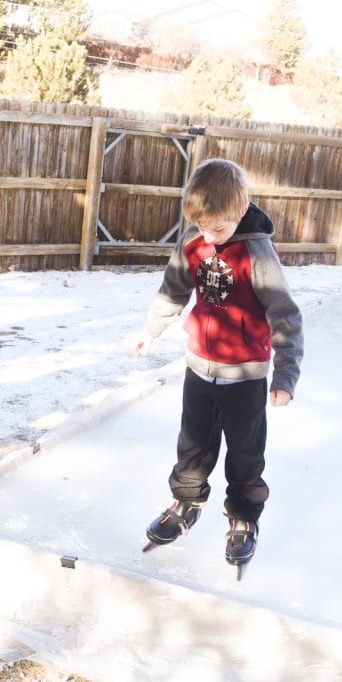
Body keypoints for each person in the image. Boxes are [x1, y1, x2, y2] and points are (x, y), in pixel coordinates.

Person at [134, 157, 303, 573]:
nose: (209, 235)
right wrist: (151, 330)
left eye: (219, 229)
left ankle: (243, 515)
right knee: (192, 441)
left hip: (245, 373)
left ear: (241, 209)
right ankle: (187, 501)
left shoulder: (256, 252)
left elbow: (286, 315)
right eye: (202, 226)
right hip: (199, 366)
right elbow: (173, 289)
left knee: (245, 451)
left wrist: (285, 373)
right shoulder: (194, 240)